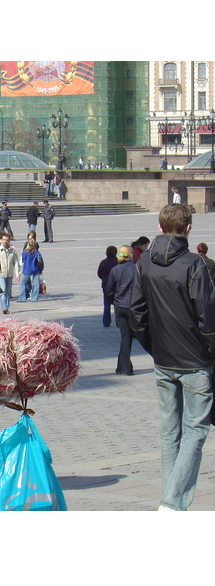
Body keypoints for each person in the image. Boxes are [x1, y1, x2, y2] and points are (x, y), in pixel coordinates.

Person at [130, 204, 215, 511]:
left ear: (160, 225)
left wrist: (154, 345)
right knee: (195, 431)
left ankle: (170, 502)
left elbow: (136, 312)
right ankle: (171, 503)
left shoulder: (145, 263)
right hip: (194, 361)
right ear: (188, 229)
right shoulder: (196, 264)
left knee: (170, 432)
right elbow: (208, 318)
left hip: (163, 359)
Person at [105, 245, 137, 376]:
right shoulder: (136, 268)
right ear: (131, 255)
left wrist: (114, 301)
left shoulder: (115, 270)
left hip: (119, 306)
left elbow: (108, 290)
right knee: (129, 336)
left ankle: (123, 366)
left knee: (125, 336)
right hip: (132, 306)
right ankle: (125, 367)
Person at [0, 232, 20, 314]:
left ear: (9, 241)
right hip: (0, 273)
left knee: (8, 291)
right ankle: (4, 307)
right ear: (1, 240)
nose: (5, 241)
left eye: (7, 240)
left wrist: (17, 273)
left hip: (9, 273)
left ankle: (7, 306)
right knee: (3, 290)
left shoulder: (13, 251)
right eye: (4, 240)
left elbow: (16, 262)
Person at [97, 245, 119, 328]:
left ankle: (106, 322)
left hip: (106, 285)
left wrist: (104, 279)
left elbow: (99, 273)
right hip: (116, 285)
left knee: (106, 304)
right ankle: (118, 322)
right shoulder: (117, 261)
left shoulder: (103, 262)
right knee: (117, 304)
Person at [18, 237, 42, 302]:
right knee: (36, 284)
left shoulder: (25, 252)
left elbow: (23, 259)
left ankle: (22, 298)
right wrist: (41, 269)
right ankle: (34, 298)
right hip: (35, 269)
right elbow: (41, 261)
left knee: (23, 283)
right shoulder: (37, 252)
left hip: (27, 269)